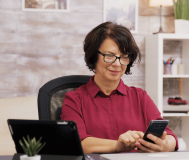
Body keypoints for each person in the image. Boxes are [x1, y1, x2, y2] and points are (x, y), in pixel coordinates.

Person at [60, 22, 178, 154]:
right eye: (110, 55)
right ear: (94, 56)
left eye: (124, 57)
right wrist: (117, 145)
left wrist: (164, 145)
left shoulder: (140, 97)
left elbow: (170, 136)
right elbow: (77, 143)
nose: (117, 64)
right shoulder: (74, 100)